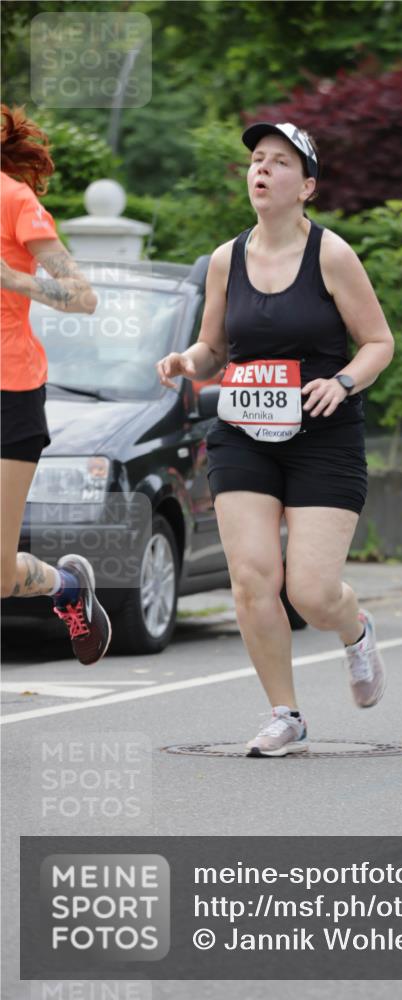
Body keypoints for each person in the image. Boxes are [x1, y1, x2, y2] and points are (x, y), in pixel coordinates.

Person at [156, 121, 394, 756]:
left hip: (323, 436)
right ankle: (284, 713)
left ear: (307, 186)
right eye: (256, 160)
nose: (262, 169)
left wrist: (342, 383)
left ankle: (356, 629)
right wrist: (188, 361)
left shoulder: (333, 256)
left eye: (279, 162)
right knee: (252, 579)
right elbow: (215, 349)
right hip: (243, 434)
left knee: (311, 594)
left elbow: (379, 343)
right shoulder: (225, 259)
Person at [0, 104, 111, 665]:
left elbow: (84, 296)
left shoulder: (14, 200)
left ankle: (66, 587)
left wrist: (9, 276)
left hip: (9, 393)